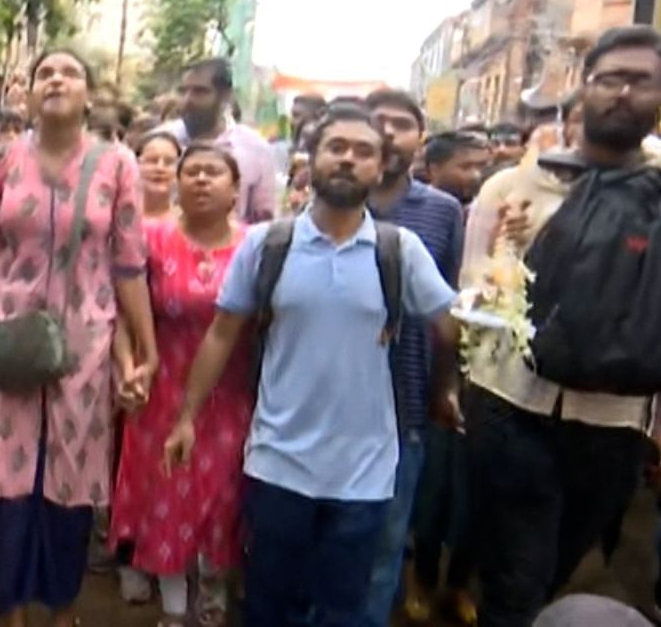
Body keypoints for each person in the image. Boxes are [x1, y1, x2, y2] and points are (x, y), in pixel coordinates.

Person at [164, 105, 460, 627]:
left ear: (382, 166)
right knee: (268, 604)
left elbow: (451, 327)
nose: (348, 159)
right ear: (312, 158)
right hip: (278, 464)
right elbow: (222, 333)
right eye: (337, 147)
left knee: (342, 609)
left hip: (365, 473)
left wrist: (494, 300)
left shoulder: (399, 252)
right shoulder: (267, 245)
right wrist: (187, 414)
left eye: (363, 151)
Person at [0, 48, 156, 627]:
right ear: (29, 93)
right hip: (12, 342)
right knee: (10, 488)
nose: (55, 80)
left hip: (85, 347)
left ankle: (62, 610)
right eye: (44, 73)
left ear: (89, 94)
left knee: (70, 487)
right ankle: (12, 612)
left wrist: (146, 351)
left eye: (69, 73)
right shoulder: (6, 159)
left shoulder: (117, 165)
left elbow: (129, 265)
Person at [463, 25, 661, 627]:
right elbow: (471, 283)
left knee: (554, 570)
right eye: (610, 79)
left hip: (614, 423)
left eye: (640, 82)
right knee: (516, 579)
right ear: (585, 87)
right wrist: (512, 263)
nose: (622, 94)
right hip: (512, 405)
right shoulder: (512, 186)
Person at [109, 144, 253, 627]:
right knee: (165, 497)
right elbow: (123, 314)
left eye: (214, 173)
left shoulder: (256, 246)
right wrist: (128, 367)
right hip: (161, 388)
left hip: (230, 394)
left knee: (219, 498)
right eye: (191, 171)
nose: (201, 180)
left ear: (236, 189)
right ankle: (173, 609)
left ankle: (212, 602)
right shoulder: (150, 238)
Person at [362, 89, 465, 627]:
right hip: (325, 403)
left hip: (405, 401)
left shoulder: (443, 213)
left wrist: (444, 387)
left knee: (386, 539)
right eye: (374, 122)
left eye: (400, 124)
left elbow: (451, 314)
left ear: (419, 138)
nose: (386, 132)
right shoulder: (321, 206)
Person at [163, 58, 277, 223]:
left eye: (200, 92)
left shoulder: (255, 149)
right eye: (183, 91)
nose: (188, 100)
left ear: (225, 96)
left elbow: (264, 221)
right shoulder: (162, 139)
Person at [423, 131, 492, 206]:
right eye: (466, 167)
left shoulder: (493, 208)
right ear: (434, 170)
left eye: (482, 166)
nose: (476, 175)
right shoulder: (414, 209)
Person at [133, 132, 181, 222]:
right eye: (152, 161)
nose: (160, 168)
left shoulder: (189, 221)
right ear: (136, 163)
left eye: (169, 162)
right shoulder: (117, 217)